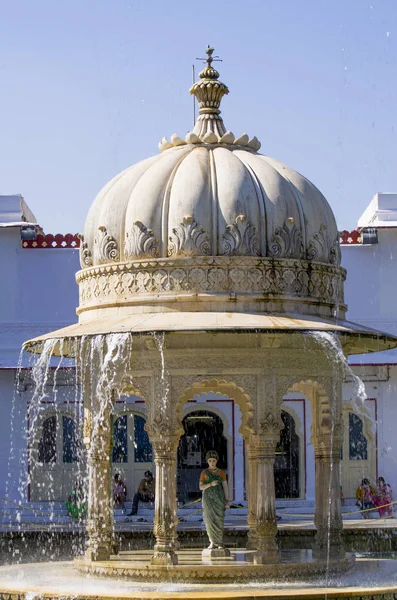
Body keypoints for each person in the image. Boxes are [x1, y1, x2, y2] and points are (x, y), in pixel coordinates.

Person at [199, 450, 229, 549]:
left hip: (219, 498)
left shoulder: (221, 472)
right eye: (210, 460)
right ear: (207, 461)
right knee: (209, 520)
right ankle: (212, 541)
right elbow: (201, 487)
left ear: (216, 461)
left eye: (214, 461)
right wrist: (210, 484)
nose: (212, 462)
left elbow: (225, 486)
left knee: (219, 520)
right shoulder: (204, 473)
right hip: (208, 499)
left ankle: (219, 542)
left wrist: (227, 500)